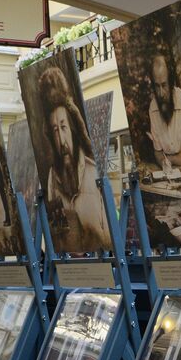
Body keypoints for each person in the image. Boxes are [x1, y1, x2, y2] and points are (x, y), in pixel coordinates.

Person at [40, 65, 111, 252]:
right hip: (70, 273)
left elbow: (110, 241)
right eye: (55, 131)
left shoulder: (93, 172)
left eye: (63, 127)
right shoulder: (51, 179)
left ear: (72, 129)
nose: (61, 141)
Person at [147, 52, 181, 170]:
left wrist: (168, 160)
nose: (161, 93)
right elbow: (158, 152)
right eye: (157, 86)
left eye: (164, 85)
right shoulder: (153, 107)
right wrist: (163, 161)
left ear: (171, 82)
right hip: (171, 175)